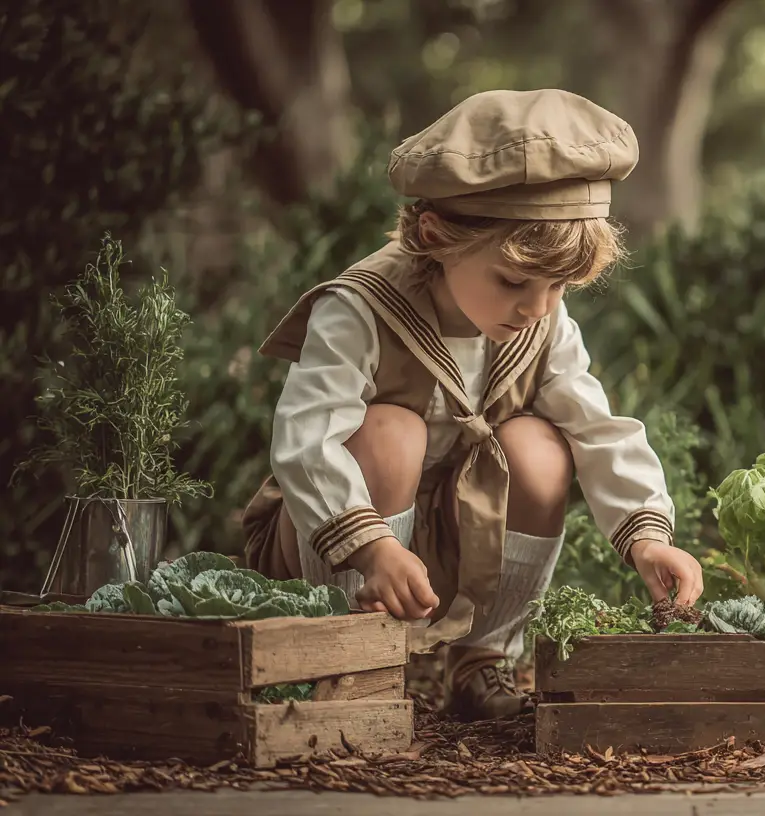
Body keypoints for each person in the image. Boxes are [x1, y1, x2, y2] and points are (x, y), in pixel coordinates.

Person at [239, 88, 705, 720]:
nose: (538, 308)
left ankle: (484, 660)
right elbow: (306, 440)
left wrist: (648, 538)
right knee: (390, 434)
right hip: (334, 544)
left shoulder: (541, 321)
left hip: (458, 543)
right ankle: (349, 659)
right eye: (514, 282)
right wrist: (371, 548)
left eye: (559, 286)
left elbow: (598, 429)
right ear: (436, 234)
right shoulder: (360, 309)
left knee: (539, 450)